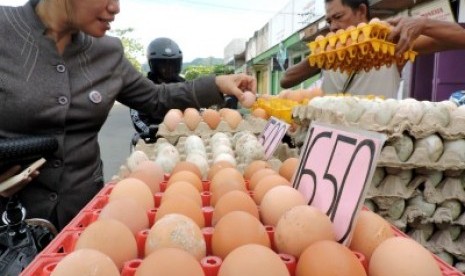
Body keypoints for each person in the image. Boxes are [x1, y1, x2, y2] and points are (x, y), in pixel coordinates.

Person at [0, 0, 256, 231]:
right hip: (10, 222)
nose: (116, 7)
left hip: (85, 217)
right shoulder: (5, 30)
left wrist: (217, 84)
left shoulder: (107, 52)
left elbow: (157, 98)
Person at [280, 0, 465, 98]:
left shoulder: (390, 41)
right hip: (332, 143)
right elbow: (286, 80)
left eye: (338, 16)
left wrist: (423, 24)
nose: (333, 26)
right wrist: (321, 56)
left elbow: (460, 39)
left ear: (361, 11)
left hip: (373, 146)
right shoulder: (328, 53)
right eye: (329, 21)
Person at [129, 37, 185, 145]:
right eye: (163, 64)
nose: (168, 69)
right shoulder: (143, 86)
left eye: (172, 64)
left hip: (182, 137)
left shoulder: (183, 84)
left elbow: (195, 109)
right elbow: (137, 118)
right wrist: (151, 131)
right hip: (153, 139)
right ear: (153, 64)